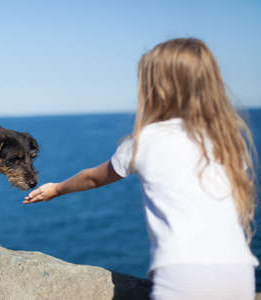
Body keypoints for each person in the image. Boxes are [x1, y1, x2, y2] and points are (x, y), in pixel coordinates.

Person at [23, 38, 258, 300]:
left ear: (159, 89)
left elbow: (92, 178)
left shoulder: (147, 139)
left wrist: (56, 188)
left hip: (182, 273)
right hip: (239, 270)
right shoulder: (228, 141)